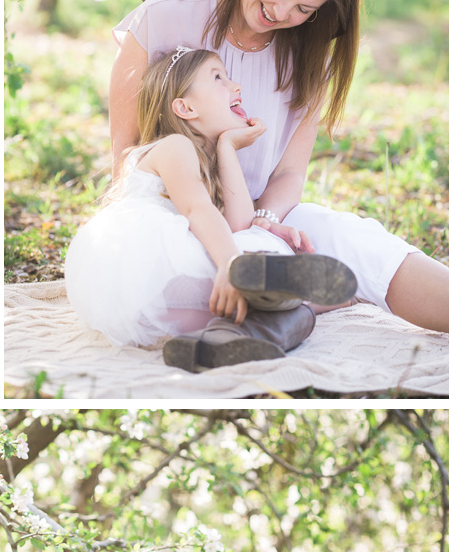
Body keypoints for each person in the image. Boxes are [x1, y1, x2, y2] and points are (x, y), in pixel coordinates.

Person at [108, 0, 449, 368]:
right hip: (179, 223)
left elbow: (289, 172)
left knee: (350, 237)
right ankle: (299, 307)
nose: (283, 14)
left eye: (304, 10)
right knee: (257, 257)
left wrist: (263, 220)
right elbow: (125, 157)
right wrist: (230, 230)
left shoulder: (310, 56)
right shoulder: (167, 17)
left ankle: (287, 314)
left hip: (254, 216)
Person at [65, 47, 356, 372]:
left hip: (171, 307)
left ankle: (216, 343)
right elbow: (197, 210)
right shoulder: (173, 146)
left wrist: (228, 146)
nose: (236, 87)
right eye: (219, 77)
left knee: (261, 289)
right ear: (185, 107)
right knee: (256, 247)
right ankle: (306, 298)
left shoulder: (203, 161)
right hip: (151, 275)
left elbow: (239, 224)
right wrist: (230, 263)